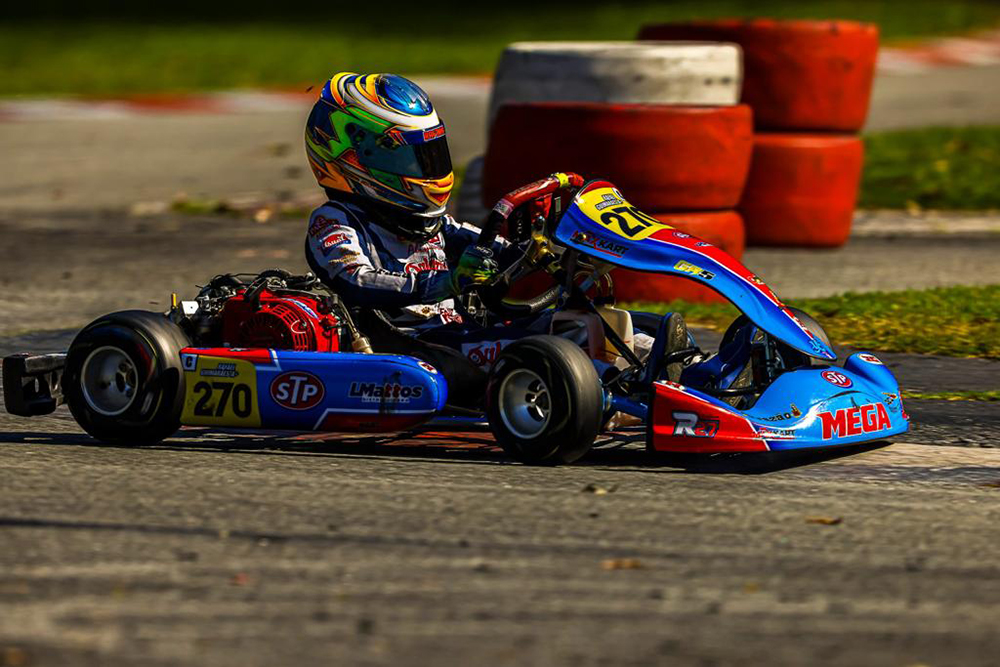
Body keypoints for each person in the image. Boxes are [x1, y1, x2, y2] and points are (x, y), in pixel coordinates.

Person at [303, 72, 685, 409]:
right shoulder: (334, 222)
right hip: (411, 345)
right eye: (411, 159)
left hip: (461, 332)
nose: (427, 169)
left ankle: (689, 372)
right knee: (562, 337)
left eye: (429, 154)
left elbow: (484, 247)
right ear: (354, 158)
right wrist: (447, 282)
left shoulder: (427, 222)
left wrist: (536, 250)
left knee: (614, 322)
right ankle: (617, 389)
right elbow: (357, 280)